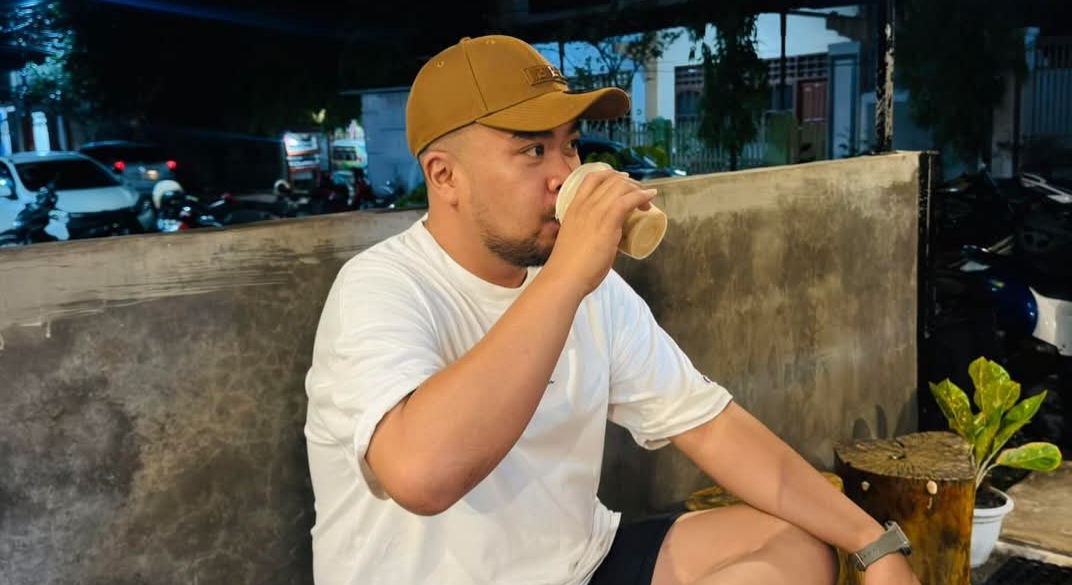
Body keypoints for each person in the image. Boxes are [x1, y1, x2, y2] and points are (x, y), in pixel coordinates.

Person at [303, 34, 923, 585]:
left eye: (570, 146)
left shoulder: (588, 286)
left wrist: (872, 542)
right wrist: (568, 276)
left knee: (796, 548)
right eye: (533, 152)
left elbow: (712, 427)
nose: (565, 174)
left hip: (577, 563)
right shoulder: (381, 288)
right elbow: (420, 475)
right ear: (444, 177)